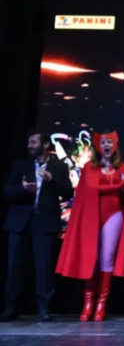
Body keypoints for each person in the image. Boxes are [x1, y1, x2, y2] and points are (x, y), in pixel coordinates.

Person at [55, 131, 124, 321]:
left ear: (115, 146)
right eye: (103, 142)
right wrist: (123, 183)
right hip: (91, 217)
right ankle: (88, 303)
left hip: (113, 215)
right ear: (97, 146)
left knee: (106, 258)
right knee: (91, 258)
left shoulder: (122, 168)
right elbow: (94, 189)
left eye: (110, 142)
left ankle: (101, 304)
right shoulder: (89, 168)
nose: (106, 145)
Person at [1, 130, 73, 321]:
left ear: (45, 145)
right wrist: (23, 189)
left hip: (44, 222)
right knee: (14, 266)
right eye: (29, 142)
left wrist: (51, 180)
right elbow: (7, 191)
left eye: (33, 142)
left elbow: (68, 192)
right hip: (20, 222)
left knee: (43, 266)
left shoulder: (58, 166)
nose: (29, 145)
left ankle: (43, 308)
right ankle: (11, 307)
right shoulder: (20, 164)